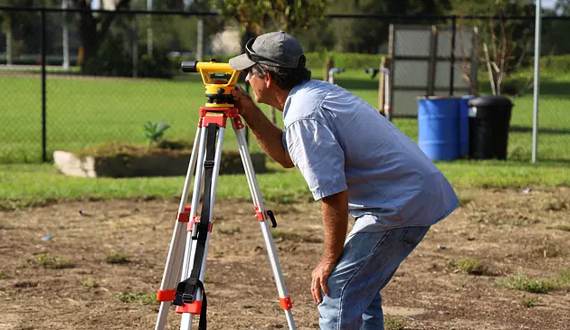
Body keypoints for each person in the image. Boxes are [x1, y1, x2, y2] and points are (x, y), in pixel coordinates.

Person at [229, 31, 458, 330]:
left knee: (335, 291)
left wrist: (328, 259)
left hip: (400, 204)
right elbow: (287, 155)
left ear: (268, 77)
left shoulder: (304, 114)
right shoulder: (311, 96)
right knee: (359, 289)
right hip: (408, 196)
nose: (246, 79)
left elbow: (334, 194)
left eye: (250, 72)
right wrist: (247, 109)